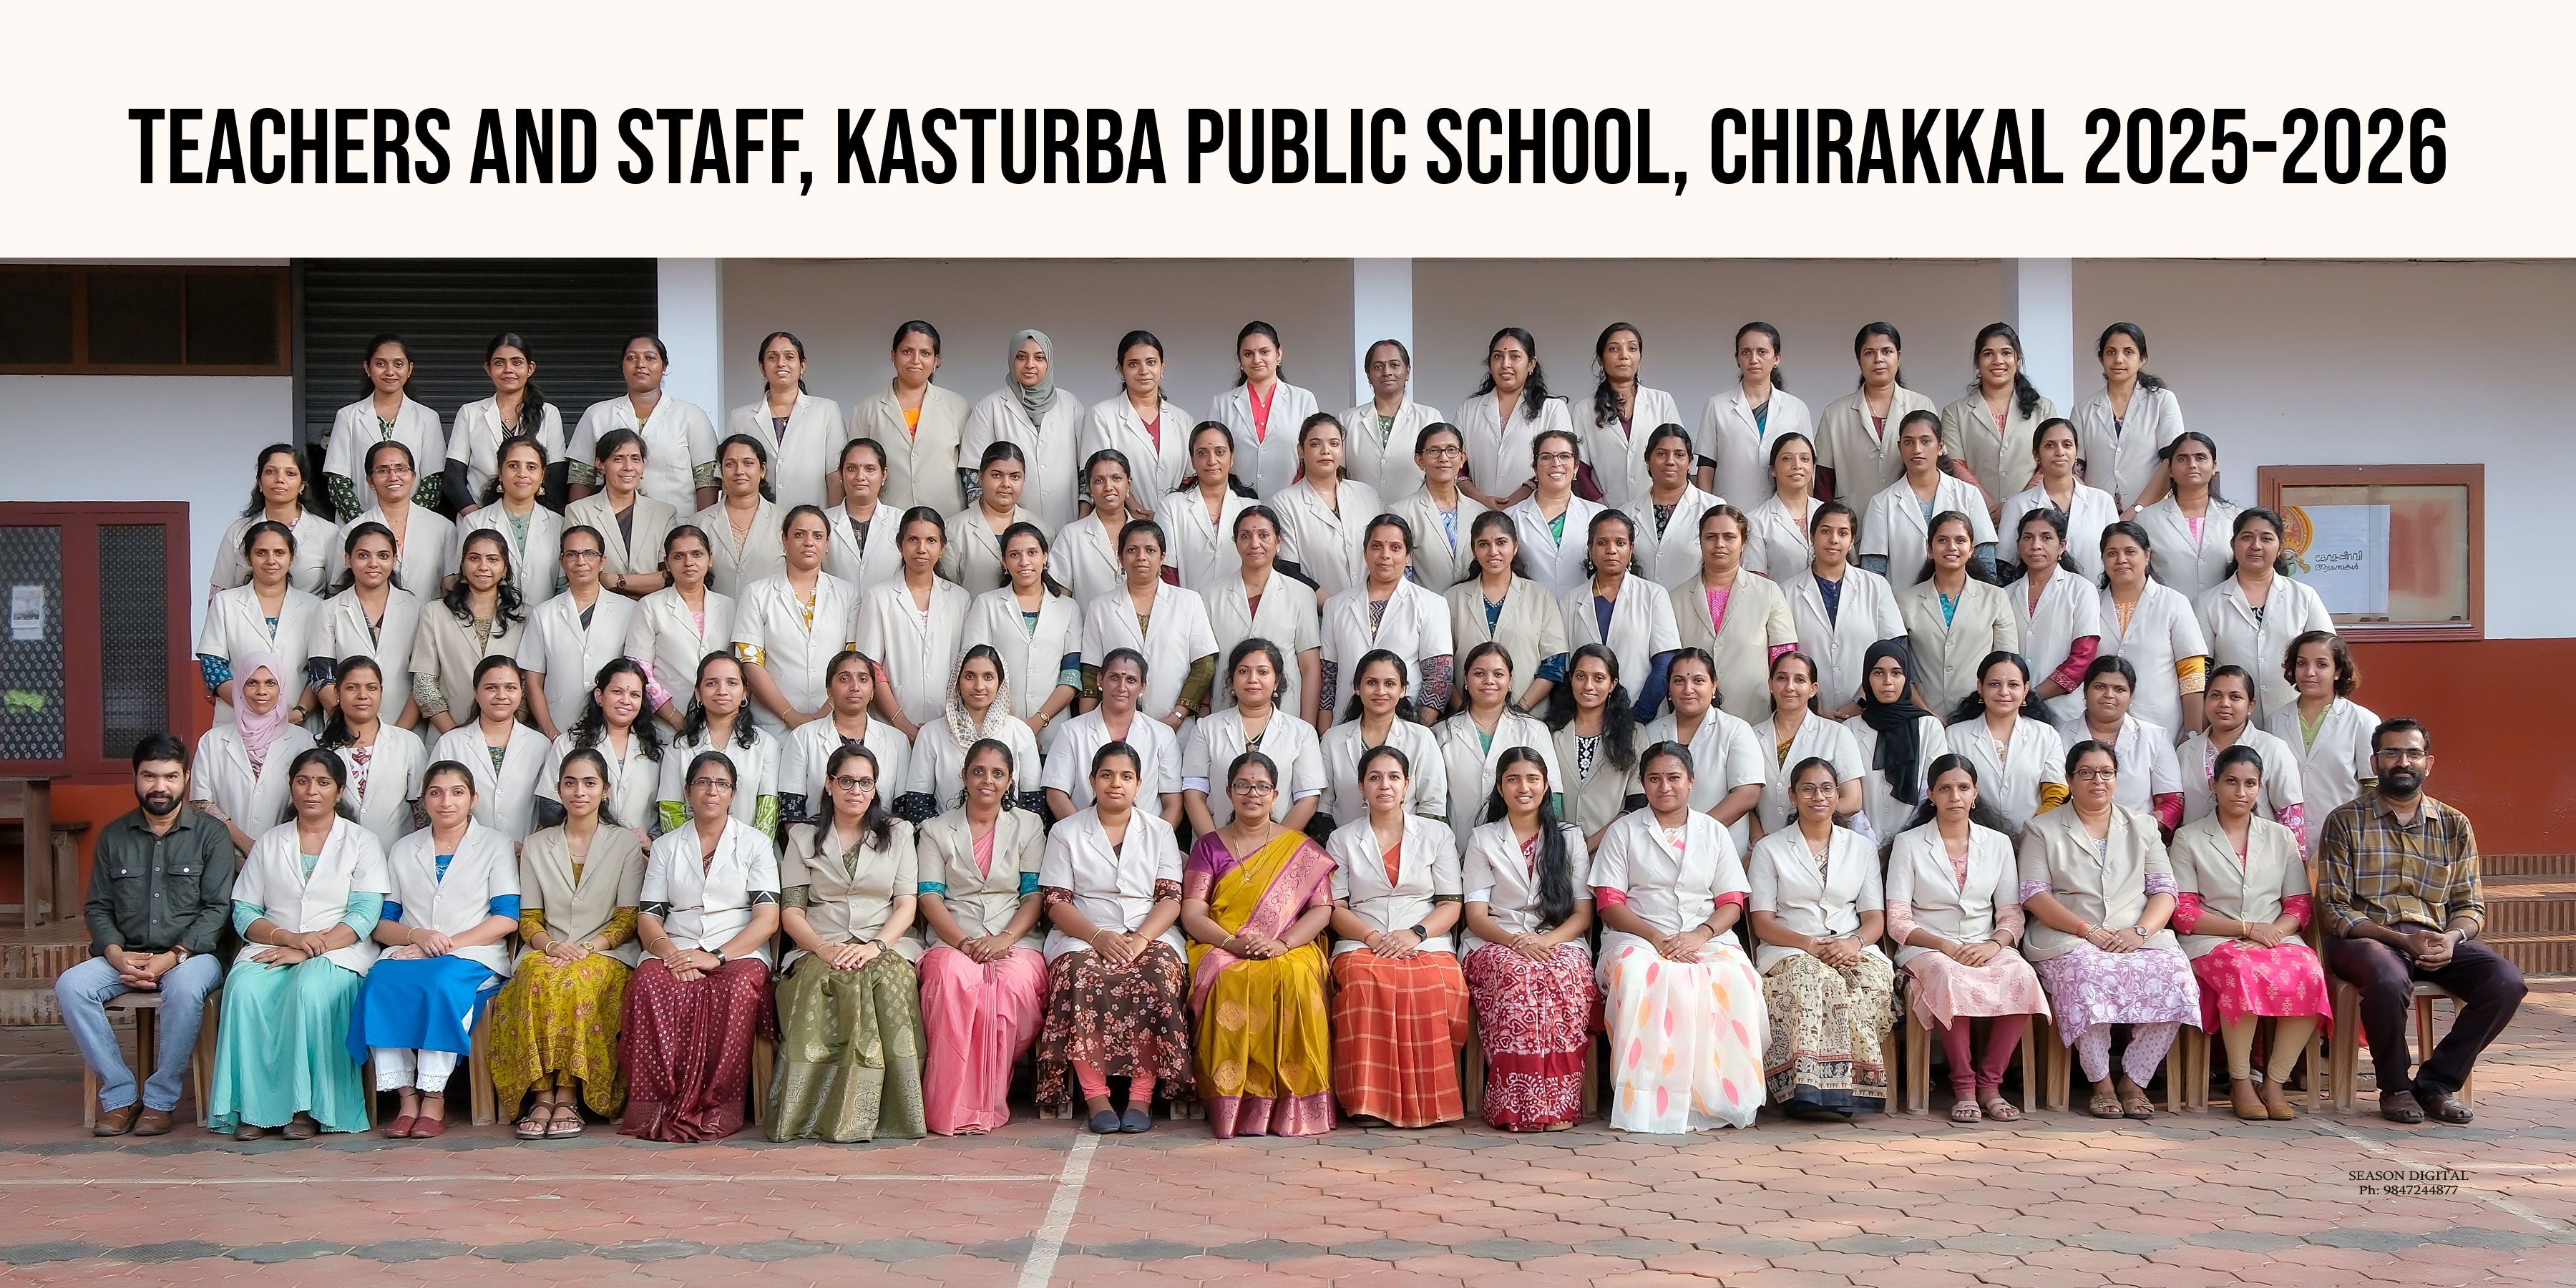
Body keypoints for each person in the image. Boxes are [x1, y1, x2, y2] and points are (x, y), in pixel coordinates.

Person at [2316, 718, 2525, 1126]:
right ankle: (2395, 1087)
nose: (2403, 762)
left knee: (2506, 981)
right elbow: (2335, 909)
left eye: (2413, 754)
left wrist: (2452, 938)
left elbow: (2471, 906)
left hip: (2434, 941)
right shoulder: (2345, 821)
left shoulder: (2454, 824)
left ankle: (2436, 1084)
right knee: (2388, 978)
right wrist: (2399, 940)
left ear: (2428, 763)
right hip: (2366, 940)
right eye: (2392, 753)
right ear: (2375, 762)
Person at [1591, 741, 1769, 1132]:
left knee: (1737, 978)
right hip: (1637, 936)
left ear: (1691, 781)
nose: (1665, 787)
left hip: (1706, 938)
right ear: (1642, 783)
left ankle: (1718, 1098)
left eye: (1674, 777)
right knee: (1640, 976)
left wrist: (1700, 935)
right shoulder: (1623, 832)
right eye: (1654, 779)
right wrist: (1657, 938)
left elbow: (1732, 902)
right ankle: (1648, 1100)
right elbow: (1608, 903)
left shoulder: (1714, 832)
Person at [62, 735, 235, 1136]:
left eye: (170, 776)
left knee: (185, 988)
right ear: (136, 778)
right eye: (150, 776)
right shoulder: (114, 835)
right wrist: (115, 954)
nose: (160, 786)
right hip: (127, 954)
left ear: (186, 778)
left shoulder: (210, 835)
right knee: (72, 986)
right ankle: (121, 1096)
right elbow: (98, 907)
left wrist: (173, 956)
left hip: (193, 956)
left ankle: (160, 1100)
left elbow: (218, 909)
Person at [2019, 741, 2200, 1119]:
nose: (2097, 780)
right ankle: (2101, 1083)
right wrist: (2086, 930)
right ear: (2069, 779)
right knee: (2087, 973)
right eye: (2086, 773)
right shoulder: (2041, 828)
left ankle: (2134, 1082)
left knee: (2176, 974)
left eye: (2106, 772)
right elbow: (2035, 895)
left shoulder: (2143, 826)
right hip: (2068, 935)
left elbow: (2165, 891)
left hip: (2136, 934)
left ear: (2117, 778)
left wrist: (2141, 932)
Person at [201, 752, 372, 1146]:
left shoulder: (361, 842)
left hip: (337, 951)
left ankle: (307, 1110)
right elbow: (245, 912)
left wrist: (310, 949)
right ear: (291, 787)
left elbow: (365, 915)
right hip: (274, 945)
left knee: (310, 989)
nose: (312, 790)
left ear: (339, 791)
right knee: (244, 989)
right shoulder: (269, 842)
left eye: (323, 783)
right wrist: (289, 939)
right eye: (302, 781)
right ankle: (254, 1110)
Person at [352, 760, 520, 1139]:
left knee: (440, 984)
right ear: (423, 801)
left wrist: (446, 944)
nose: (446, 802)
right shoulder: (403, 849)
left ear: (473, 799)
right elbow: (382, 923)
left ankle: (434, 1096)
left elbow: (507, 918)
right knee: (379, 983)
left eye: (457, 793)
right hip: (412, 951)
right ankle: (406, 1097)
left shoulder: (495, 845)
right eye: (436, 793)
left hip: (473, 954)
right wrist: (417, 937)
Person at [769, 744, 927, 1142]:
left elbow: (906, 905)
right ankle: (809, 1115)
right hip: (820, 943)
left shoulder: (899, 833)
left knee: (888, 981)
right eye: (846, 781)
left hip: (884, 942)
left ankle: (891, 1114)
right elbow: (792, 911)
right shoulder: (803, 837)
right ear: (829, 784)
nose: (856, 790)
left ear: (875, 789)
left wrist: (875, 947)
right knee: (818, 982)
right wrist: (822, 948)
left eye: (865, 783)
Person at [622, 751, 781, 1141]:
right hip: (676, 946)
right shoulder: (666, 847)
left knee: (736, 987)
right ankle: (657, 1105)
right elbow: (649, 917)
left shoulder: (756, 844)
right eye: (703, 783)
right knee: (648, 983)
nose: (712, 791)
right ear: (687, 791)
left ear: (733, 794)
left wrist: (715, 957)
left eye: (722, 784)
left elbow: (767, 920)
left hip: (737, 950)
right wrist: (671, 954)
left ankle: (717, 1105)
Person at [1179, 751, 1340, 1138]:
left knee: (1296, 979)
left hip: (1289, 944)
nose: (1253, 794)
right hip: (1222, 943)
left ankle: (1294, 1106)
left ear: (1276, 794)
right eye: (1243, 785)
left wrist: (1284, 943)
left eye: (1262, 787)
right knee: (1230, 978)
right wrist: (1230, 942)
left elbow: (1322, 910)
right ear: (1229, 792)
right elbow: (1193, 912)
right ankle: (1237, 1105)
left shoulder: (1300, 848)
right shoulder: (1209, 847)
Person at [490, 747, 646, 1139]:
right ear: (558, 790)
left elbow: (628, 918)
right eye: (570, 783)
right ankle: (541, 1097)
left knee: (578, 982)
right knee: (536, 979)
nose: (579, 791)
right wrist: (551, 947)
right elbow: (529, 919)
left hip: (607, 952)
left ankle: (568, 1095)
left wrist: (588, 948)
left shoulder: (624, 844)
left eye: (590, 783)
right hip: (549, 949)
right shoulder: (537, 844)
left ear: (605, 791)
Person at [1037, 743, 1194, 1133]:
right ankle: (1096, 1097)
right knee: (1079, 975)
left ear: (1139, 784)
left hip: (1148, 932)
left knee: (1157, 974)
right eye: (1106, 775)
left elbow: (1170, 898)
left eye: (1126, 776)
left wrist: (1141, 939)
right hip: (1084, 933)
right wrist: (1096, 936)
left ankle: (1141, 1096)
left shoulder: (1160, 831)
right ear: (1092, 781)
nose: (1115, 784)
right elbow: (1055, 901)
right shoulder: (1065, 831)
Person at [1883, 755, 2047, 1122]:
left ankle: (1990, 1084)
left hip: (1984, 942)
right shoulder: (1909, 844)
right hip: (1927, 946)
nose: (1954, 796)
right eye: (1945, 788)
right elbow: (1898, 921)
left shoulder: (1999, 843)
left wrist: (1995, 944)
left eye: (1963, 788)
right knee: (1949, 975)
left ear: (1975, 794)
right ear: (1931, 795)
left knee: (2023, 975)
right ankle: (1964, 1087)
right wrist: (1943, 945)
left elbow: (2011, 914)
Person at [2170, 745, 2329, 1121]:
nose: (2240, 792)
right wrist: (2245, 929)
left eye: (2250, 784)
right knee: (2241, 971)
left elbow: (2299, 905)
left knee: (2310, 973)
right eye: (2231, 782)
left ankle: (2274, 1082)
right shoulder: (2189, 838)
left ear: (2261, 787)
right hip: (2213, 940)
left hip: (2275, 937)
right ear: (2214, 784)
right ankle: (2241, 1081)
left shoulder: (2280, 837)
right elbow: (2184, 913)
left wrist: (2272, 932)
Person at [1324, 745, 1470, 1128]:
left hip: (1424, 936)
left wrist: (1416, 934)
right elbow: (1335, 907)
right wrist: (1372, 937)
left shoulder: (1437, 834)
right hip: (1362, 937)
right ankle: (1368, 1102)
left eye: (1393, 778)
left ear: (1407, 784)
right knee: (1363, 980)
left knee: (1434, 980)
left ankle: (1430, 1100)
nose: (1384, 786)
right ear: (1361, 787)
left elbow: (1451, 903)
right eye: (1375, 778)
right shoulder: (1342, 838)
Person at [1747, 756, 1894, 1118]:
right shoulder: (1770, 849)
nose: (1819, 797)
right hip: (1790, 949)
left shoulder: (1861, 848)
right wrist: (1809, 945)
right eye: (1808, 789)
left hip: (1852, 946)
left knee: (1868, 983)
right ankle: (1806, 1094)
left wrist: (1853, 943)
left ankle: (1849, 1092)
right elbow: (1762, 922)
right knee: (1813, 980)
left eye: (1827, 789)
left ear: (1838, 795)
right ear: (1793, 796)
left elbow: (1874, 919)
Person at [915, 739, 1049, 1135]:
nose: (987, 780)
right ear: (963, 776)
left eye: (997, 773)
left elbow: (1033, 896)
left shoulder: (1028, 826)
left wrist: (1005, 938)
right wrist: (962, 942)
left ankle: (987, 1099)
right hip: (954, 937)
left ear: (1010, 781)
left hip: (1015, 938)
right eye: (978, 771)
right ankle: (952, 1105)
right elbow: (930, 897)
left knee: (1011, 984)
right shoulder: (935, 830)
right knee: (951, 979)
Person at [1458, 747, 1594, 1131]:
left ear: (1546, 785)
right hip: (1494, 941)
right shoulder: (1483, 839)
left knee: (1565, 974)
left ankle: (1559, 1106)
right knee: (1518, 975)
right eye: (1513, 779)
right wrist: (1516, 943)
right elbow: (1476, 917)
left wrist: (1544, 944)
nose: (1523, 788)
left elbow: (1582, 915)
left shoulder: (1569, 838)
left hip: (1557, 938)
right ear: (1500, 787)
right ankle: (1519, 1106)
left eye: (1532, 779)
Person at [736, 504, 864, 738]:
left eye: (818, 536)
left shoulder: (848, 594)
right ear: (784, 540)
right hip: (773, 726)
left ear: (827, 544)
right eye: (799, 534)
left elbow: (851, 659)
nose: (809, 542)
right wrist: (790, 715)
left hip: (834, 721)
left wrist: (826, 712)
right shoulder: (756, 593)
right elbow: (751, 662)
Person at [1080, 520, 1220, 734]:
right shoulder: (1100, 607)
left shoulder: (1189, 602)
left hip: (1177, 728)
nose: (1141, 557)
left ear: (1163, 557)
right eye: (1132, 550)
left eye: (1150, 550)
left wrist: (1177, 716)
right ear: (1120, 557)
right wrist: (1086, 728)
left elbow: (1204, 666)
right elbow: (1092, 673)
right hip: (1114, 729)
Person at [2197, 509, 2333, 718]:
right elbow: (2201, 671)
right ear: (2233, 545)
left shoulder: (2305, 597)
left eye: (2266, 538)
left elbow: (2329, 656)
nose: (2256, 546)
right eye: (2247, 537)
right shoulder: (2207, 603)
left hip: (2295, 716)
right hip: (2233, 721)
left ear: (2280, 548)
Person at [852, 508, 973, 743]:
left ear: (943, 547)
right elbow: (870, 667)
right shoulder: (878, 596)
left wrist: (949, 720)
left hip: (949, 727)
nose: (921, 549)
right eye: (913, 540)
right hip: (891, 728)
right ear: (900, 544)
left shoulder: (960, 599)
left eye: (931, 541)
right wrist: (902, 724)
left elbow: (967, 664)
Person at [1671, 506, 1797, 727]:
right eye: (1711, 537)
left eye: (1729, 537)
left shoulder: (1768, 592)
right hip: (1691, 718)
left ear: (1743, 542)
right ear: (1700, 541)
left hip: (1753, 714)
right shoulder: (1676, 598)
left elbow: (1784, 659)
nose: (1719, 544)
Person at [1320, 515, 1453, 725]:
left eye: (1395, 548)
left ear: (1408, 556)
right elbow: (1328, 678)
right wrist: (1326, 732)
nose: (1385, 555)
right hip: (1345, 727)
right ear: (1365, 552)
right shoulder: (1335, 606)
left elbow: (1439, 678)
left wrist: (1417, 729)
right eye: (1377, 546)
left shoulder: (1431, 604)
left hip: (1406, 725)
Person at [963, 524, 1084, 751]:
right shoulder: (987, 604)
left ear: (1045, 557)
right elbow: (976, 670)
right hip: (998, 726)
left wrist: (1037, 721)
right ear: (1004, 562)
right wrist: (1014, 724)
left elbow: (1071, 676)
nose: (1024, 562)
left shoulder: (1068, 608)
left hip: (1054, 730)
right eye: (1014, 555)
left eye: (1032, 553)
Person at [1435, 643, 1568, 850]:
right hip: (1456, 848)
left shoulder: (1534, 730)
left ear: (1510, 680)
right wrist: (1445, 849)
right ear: (1465, 680)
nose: (1489, 681)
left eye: (1498, 674)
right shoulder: (1442, 733)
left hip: (1522, 852)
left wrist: (1528, 845)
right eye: (1479, 673)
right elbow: (1434, 801)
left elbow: (1553, 796)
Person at [1184, 640, 1326, 834]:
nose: (1253, 679)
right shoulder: (1206, 728)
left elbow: (1308, 799)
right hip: (1216, 842)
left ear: (1276, 681)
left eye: (1263, 672)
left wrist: (1273, 847)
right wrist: (1215, 846)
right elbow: (1194, 794)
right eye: (1244, 671)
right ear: (1232, 679)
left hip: (1280, 846)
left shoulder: (1302, 733)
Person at [568, 333, 718, 514]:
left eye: (650, 358)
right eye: (632, 358)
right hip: (607, 521)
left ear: (664, 367)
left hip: (677, 522)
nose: (640, 364)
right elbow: (581, 477)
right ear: (622, 366)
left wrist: (700, 525)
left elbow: (707, 481)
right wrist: (579, 523)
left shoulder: (692, 416)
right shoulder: (596, 414)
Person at [1780, 502, 1903, 721]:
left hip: (1868, 713)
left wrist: (1860, 701)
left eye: (1843, 533)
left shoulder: (1876, 587)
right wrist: (1815, 708)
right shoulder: (1787, 592)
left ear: (1852, 540)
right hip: (1808, 714)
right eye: (1826, 531)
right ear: (1812, 536)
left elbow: (1893, 650)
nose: (1834, 540)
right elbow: (1783, 657)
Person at [518, 525, 639, 739]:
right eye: (572, 554)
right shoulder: (544, 614)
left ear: (602, 561)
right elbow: (533, 681)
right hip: (559, 726)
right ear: (562, 562)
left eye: (590, 554)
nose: (581, 561)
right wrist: (552, 734)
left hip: (614, 731)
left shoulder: (629, 610)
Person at [191, 653, 318, 856]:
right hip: (225, 855)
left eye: (270, 683)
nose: (262, 691)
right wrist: (244, 845)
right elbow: (201, 802)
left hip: (285, 854)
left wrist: (268, 850)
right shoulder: (212, 741)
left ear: (282, 688)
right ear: (239, 687)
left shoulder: (304, 742)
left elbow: (306, 802)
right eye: (252, 683)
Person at [198, 522, 323, 728]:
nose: (271, 560)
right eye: (261, 553)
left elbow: (320, 669)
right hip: (238, 721)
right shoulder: (225, 603)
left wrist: (300, 712)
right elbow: (212, 665)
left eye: (279, 553)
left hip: (296, 721)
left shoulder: (315, 607)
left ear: (291, 557)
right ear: (248, 557)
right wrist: (251, 708)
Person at [1561, 510, 1680, 721]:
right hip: (1584, 719)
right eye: (1602, 543)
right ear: (1590, 547)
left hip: (1641, 718)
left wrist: (1639, 716)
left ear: (1631, 548)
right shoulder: (1570, 601)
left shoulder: (1653, 595)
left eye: (1620, 543)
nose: (1611, 550)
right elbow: (1564, 666)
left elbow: (1665, 663)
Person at [962, 329, 1086, 532]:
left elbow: (1086, 470)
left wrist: (1082, 521)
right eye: (1021, 357)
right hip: (1007, 531)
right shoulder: (990, 407)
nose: (1030, 365)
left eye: (1039, 358)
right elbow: (972, 472)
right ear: (1012, 360)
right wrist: (987, 528)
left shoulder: (1070, 405)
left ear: (1049, 362)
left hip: (1067, 522)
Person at [1858, 411, 1996, 595]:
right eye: (1909, 442)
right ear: (1899, 447)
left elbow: (1986, 562)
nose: (1917, 449)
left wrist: (1980, 602)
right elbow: (1873, 573)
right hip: (1902, 606)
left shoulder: (1968, 495)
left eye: (1926, 441)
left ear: (1941, 446)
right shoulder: (1882, 503)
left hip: (1965, 603)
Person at [1640, 648, 1765, 849]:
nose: (1688, 689)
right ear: (1669, 688)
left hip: (1719, 848)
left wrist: (1691, 834)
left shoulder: (1736, 730)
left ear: (1714, 685)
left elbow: (1747, 794)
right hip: (1659, 847)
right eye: (1679, 681)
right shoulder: (1650, 733)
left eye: (1698, 681)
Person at [902, 645, 1043, 822]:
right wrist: (942, 836)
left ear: (1000, 682)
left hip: (1010, 837)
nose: (979, 686)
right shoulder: (930, 734)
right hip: (942, 836)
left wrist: (1012, 835)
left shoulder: (1021, 732)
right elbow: (918, 803)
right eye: (970, 676)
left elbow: (1033, 803)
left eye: (988, 677)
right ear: (957, 681)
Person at [1045, 648, 1184, 826]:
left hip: (1146, 839)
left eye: (1131, 680)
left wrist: (1154, 839)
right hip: (1083, 837)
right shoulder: (1071, 731)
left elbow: (1174, 803)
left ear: (1143, 686)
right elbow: (1056, 795)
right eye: (1114, 678)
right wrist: (1084, 835)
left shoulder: (1163, 735)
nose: (1122, 687)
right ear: (1100, 680)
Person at [1446, 510, 1568, 713]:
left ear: (1515, 547)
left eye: (1501, 543)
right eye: (1484, 544)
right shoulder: (1453, 598)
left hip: (1529, 717)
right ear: (1474, 550)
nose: (1493, 551)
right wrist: (1464, 712)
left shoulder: (1540, 596)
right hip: (1466, 718)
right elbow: (1442, 667)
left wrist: (1519, 710)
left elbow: (1554, 663)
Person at [2176, 665, 2308, 852]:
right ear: (2204, 701)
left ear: (2251, 705)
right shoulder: (2185, 751)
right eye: (2216, 695)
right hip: (2197, 855)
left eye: (2235, 697)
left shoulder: (2273, 749)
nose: (2224, 703)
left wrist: (2295, 859)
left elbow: (2290, 814)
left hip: (2260, 855)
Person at [1900, 511, 2019, 716]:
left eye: (1960, 540)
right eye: (1942, 540)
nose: (1952, 547)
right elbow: (1900, 668)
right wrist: (1927, 714)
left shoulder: (1995, 597)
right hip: (1922, 715)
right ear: (1930, 549)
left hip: (1980, 715)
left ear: (1971, 549)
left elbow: (2006, 664)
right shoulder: (1905, 601)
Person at [2097, 521, 2209, 738]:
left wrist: (2192, 732)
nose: (2121, 560)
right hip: (2102, 726)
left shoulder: (2173, 603)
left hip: (2161, 724)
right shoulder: (2091, 603)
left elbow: (2192, 675)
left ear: (2147, 556)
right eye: (2112, 553)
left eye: (2130, 552)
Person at [413, 530, 529, 737]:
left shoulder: (525, 616)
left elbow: (529, 682)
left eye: (493, 559)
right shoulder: (436, 612)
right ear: (463, 566)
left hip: (511, 736)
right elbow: (425, 683)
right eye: (475, 558)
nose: (483, 567)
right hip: (446, 733)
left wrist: (503, 731)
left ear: (504, 569)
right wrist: (455, 736)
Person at [532, 658, 664, 840]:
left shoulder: (656, 751)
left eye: (635, 695)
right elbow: (549, 806)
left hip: (638, 851)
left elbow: (664, 811)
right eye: (617, 692)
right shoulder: (569, 744)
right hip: (581, 848)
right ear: (599, 696)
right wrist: (603, 834)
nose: (626, 701)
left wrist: (652, 838)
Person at [779, 649, 911, 826]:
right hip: (816, 839)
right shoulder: (802, 737)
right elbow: (790, 812)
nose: (855, 687)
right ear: (829, 690)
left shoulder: (897, 741)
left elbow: (902, 811)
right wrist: (808, 843)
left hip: (880, 840)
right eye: (844, 679)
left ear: (873, 691)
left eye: (863, 679)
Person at [1943, 652, 2069, 839]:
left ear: (2026, 689)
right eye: (1995, 684)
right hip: (1972, 839)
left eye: (2013, 685)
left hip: (2035, 840)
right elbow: (1950, 792)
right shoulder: (1955, 736)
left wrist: (2031, 834)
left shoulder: (2046, 735)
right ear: (1980, 687)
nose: (2004, 692)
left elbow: (2056, 794)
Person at [655, 652, 781, 838]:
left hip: (749, 852)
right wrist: (698, 850)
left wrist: (747, 851)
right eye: (712, 683)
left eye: (732, 683)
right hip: (688, 852)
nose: (722, 691)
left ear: (745, 692)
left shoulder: (766, 746)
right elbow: (670, 811)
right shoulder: (678, 748)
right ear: (698, 693)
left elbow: (768, 815)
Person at [1319, 650, 1450, 829]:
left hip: (1409, 843)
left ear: (1402, 690)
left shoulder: (1422, 738)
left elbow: (1433, 804)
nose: (1381, 691)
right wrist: (1339, 842)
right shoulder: (1333, 739)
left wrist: (1410, 841)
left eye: (1390, 684)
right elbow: (1323, 806)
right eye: (1372, 682)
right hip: (1344, 843)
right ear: (1357, 687)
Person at [1941, 322, 2059, 519]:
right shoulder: (1955, 412)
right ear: (1977, 362)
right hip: (1975, 514)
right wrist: (1988, 508)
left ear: (2018, 359)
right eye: (1988, 354)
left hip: (2032, 514)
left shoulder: (2044, 409)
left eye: (2006, 353)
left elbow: (2049, 463)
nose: (1998, 361)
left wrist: (2015, 506)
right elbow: (1956, 465)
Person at [623, 526, 736, 731]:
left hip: (724, 723)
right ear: (667, 563)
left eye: (697, 554)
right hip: (668, 725)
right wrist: (676, 719)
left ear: (710, 558)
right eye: (679, 556)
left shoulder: (730, 607)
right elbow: (640, 670)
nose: (689, 562)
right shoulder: (650, 606)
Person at [1813, 322, 1936, 507]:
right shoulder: (1835, 414)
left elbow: (1938, 467)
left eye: (1887, 351)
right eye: (1869, 353)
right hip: (1853, 517)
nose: (1879, 359)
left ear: (1899, 357)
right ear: (1859, 359)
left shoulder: (1922, 406)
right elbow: (1824, 482)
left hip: (1910, 514)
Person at [314, 524, 424, 729]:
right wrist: (350, 726)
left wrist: (399, 734)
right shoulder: (329, 610)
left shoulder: (418, 609)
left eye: (383, 556)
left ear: (394, 560)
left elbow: (422, 679)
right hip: (345, 729)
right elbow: (322, 677)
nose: (373, 564)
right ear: (348, 560)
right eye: (363, 556)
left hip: (406, 726)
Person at [323, 334, 446, 519]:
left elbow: (433, 482)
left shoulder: (428, 418)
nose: (390, 372)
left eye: (398, 364)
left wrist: (405, 521)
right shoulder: (348, 416)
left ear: (410, 369)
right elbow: (338, 481)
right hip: (358, 524)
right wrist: (363, 525)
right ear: (368, 368)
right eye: (381, 364)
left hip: (413, 526)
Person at [2059, 656, 2185, 834]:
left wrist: (2136, 836)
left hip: (2139, 839)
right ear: (2085, 692)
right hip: (2071, 837)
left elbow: (2172, 802)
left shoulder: (2155, 737)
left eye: (2119, 689)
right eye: (2100, 687)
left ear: (2131, 697)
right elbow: (2055, 795)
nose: (2109, 695)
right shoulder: (2060, 735)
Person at [858, 322, 973, 516]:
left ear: (936, 360)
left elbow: (970, 470)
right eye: (907, 352)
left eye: (925, 353)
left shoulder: (958, 406)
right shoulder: (867, 410)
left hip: (947, 516)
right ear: (893, 356)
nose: (916, 360)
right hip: (889, 518)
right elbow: (855, 470)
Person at [2070, 323, 2185, 517]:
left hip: (2151, 513)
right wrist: (2096, 510)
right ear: (2101, 358)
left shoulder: (2162, 401)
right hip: (2098, 516)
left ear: (2142, 359)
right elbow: (2075, 470)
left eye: (2128, 352)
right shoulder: (2083, 410)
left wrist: (2135, 510)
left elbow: (2171, 463)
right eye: (2111, 352)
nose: (2119, 359)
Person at [431, 656, 552, 840]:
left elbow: (550, 809)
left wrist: (530, 847)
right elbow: (436, 803)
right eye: (491, 688)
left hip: (523, 849)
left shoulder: (540, 745)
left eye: (510, 688)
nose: (501, 695)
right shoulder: (450, 743)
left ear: (522, 692)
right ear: (476, 692)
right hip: (465, 849)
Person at [724, 330, 845, 514]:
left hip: (811, 521)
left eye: (789, 357)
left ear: (802, 365)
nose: (781, 363)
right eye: (772, 357)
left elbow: (835, 475)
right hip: (757, 520)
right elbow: (728, 479)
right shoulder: (740, 417)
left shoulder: (826, 411)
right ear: (762, 367)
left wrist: (832, 521)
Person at [444, 331, 565, 514]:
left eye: (517, 363)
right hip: (478, 513)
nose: (508, 369)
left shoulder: (548, 413)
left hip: (534, 516)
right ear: (488, 369)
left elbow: (556, 476)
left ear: (530, 369)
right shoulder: (470, 413)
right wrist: (475, 518)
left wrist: (540, 516)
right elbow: (453, 477)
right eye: (499, 363)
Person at [1455, 326, 1576, 511]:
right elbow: (1457, 465)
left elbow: (1559, 464)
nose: (1505, 364)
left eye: (1515, 356)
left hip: (1534, 512)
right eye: (1498, 356)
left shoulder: (1552, 409)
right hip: (1477, 511)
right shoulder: (1468, 410)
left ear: (1531, 364)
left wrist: (1516, 499)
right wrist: (1480, 499)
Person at [1750, 651, 1865, 839]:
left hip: (1819, 841)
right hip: (1767, 844)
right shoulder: (1751, 736)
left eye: (1800, 680)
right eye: (1782, 678)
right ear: (1770, 684)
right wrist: (1756, 837)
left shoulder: (1836, 734)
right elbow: (1747, 800)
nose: (1790, 687)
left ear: (1813, 689)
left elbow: (1852, 801)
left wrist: (1806, 821)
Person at [316, 657, 427, 852]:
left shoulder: (408, 743)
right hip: (336, 854)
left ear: (381, 692)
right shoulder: (318, 746)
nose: (363, 695)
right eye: (352, 688)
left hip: (396, 853)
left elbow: (421, 809)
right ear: (337, 693)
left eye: (371, 688)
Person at [1272, 414, 1384, 606]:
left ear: (1342, 450)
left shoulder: (1367, 494)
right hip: (1319, 614)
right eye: (1316, 444)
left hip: (1372, 608)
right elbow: (1288, 570)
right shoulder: (1284, 503)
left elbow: (1384, 554)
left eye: (1334, 444)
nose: (1326, 451)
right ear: (1301, 450)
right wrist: (1336, 608)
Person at [1699, 321, 1814, 505]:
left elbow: (1806, 469)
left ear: (1777, 358)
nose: (1754, 359)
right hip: (1730, 510)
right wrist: (1707, 512)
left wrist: (1808, 512)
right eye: (1746, 352)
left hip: (1783, 512)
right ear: (1737, 358)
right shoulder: (1717, 406)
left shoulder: (1796, 408)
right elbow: (1706, 467)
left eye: (1762, 352)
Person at [1571, 323, 1683, 513]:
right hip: (1606, 509)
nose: (1624, 356)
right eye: (1614, 349)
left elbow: (1678, 455)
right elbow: (1580, 467)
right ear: (1600, 359)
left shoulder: (1662, 402)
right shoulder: (1584, 410)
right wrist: (1600, 506)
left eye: (1632, 348)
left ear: (1640, 357)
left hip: (1658, 508)